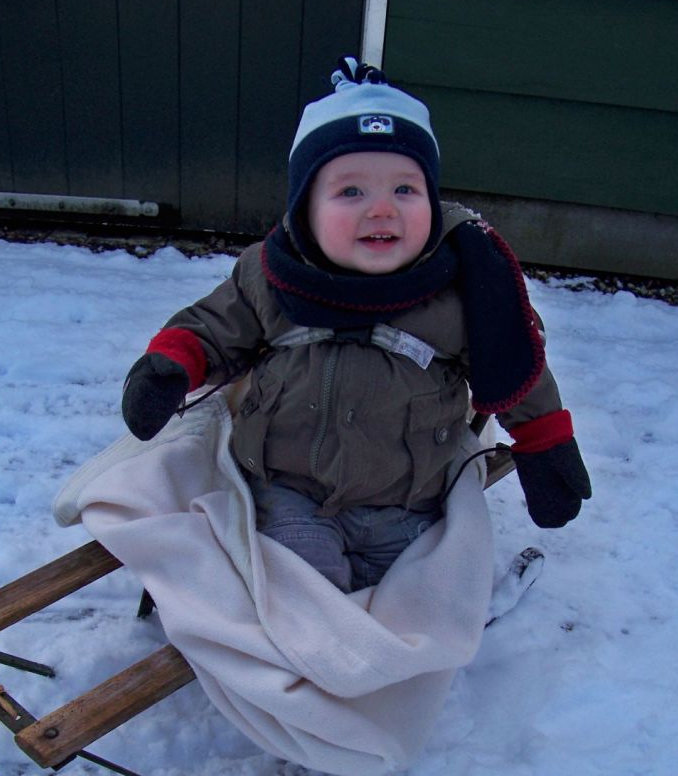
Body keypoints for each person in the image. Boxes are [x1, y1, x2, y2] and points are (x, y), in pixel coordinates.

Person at [121, 57, 591, 593]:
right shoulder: (273, 274)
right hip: (290, 492)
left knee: (417, 597)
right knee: (310, 589)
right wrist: (171, 365)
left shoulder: (462, 291)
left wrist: (545, 445)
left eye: (405, 190)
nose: (382, 210)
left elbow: (513, 368)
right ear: (305, 208)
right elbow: (213, 326)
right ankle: (306, 642)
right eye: (351, 192)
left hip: (409, 502)